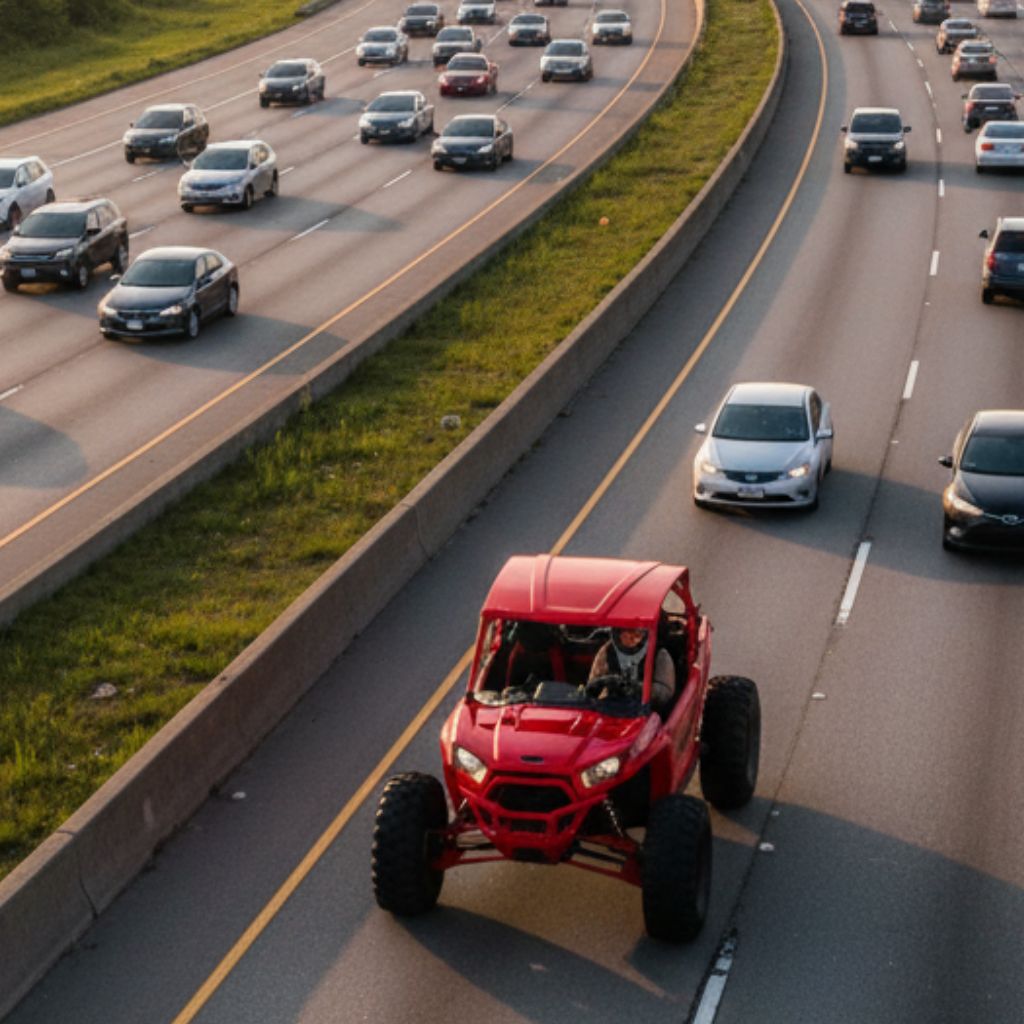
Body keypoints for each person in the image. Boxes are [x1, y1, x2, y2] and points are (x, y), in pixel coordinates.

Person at [588, 626, 675, 712]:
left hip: (648, 712)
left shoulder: (660, 654)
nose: (632, 639)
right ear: (618, 634)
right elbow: (592, 685)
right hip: (613, 709)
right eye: (627, 635)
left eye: (637, 635)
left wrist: (635, 688)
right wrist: (605, 681)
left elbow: (665, 693)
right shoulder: (607, 651)